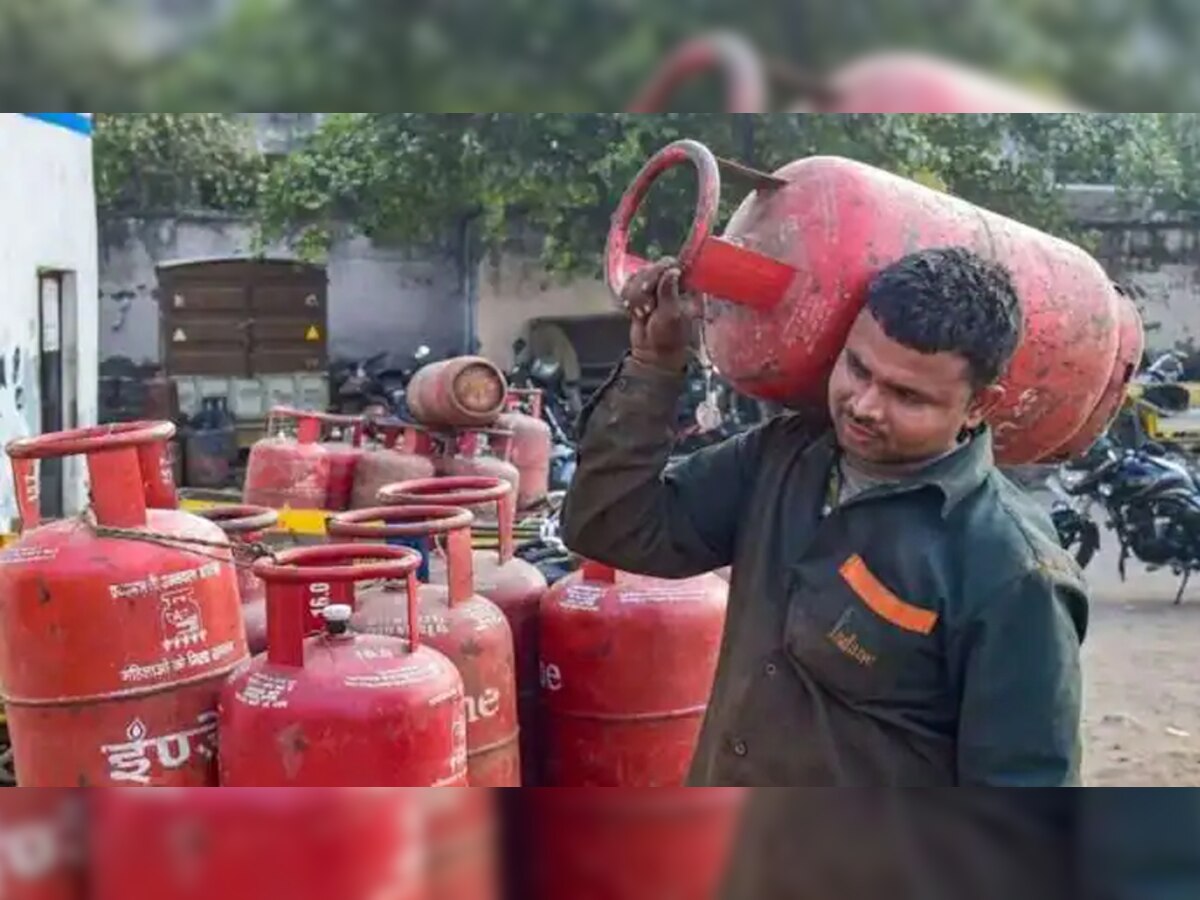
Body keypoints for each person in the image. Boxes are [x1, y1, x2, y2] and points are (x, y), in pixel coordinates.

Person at [561, 246, 1094, 897]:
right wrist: (654, 364)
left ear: (981, 405)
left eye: (907, 395)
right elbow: (611, 527)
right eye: (857, 367)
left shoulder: (1012, 574)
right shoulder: (787, 457)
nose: (865, 405)